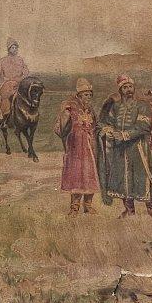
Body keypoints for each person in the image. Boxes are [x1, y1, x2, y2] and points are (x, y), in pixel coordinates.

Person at [97, 74, 152, 217]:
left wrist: (125, 135)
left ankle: (151, 209)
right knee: (123, 177)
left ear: (134, 88)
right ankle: (129, 210)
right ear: (120, 90)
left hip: (138, 148)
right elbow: (108, 123)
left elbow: (144, 127)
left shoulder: (142, 105)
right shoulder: (116, 106)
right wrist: (108, 130)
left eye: (130, 87)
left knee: (144, 176)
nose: (128, 90)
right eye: (125, 87)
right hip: (120, 149)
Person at [54, 77, 99, 214]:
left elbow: (96, 125)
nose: (88, 97)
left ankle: (88, 205)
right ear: (79, 95)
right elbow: (60, 128)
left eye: (90, 95)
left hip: (90, 146)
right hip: (76, 146)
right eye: (85, 94)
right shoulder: (70, 107)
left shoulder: (90, 109)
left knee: (90, 174)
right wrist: (64, 114)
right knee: (76, 175)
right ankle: (74, 207)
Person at [0, 39, 29, 134]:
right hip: (5, 84)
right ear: (8, 49)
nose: (15, 49)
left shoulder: (20, 60)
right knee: (1, 99)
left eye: (16, 48)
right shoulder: (2, 61)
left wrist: (20, 78)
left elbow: (26, 72)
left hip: (17, 84)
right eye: (13, 48)